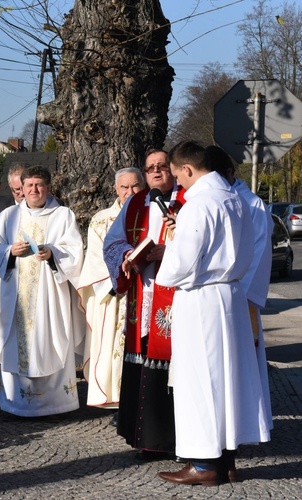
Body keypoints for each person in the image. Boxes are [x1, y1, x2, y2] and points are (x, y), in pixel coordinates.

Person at [156, 140, 271, 486]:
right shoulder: (237, 200)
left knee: (200, 379)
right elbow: (248, 253)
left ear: (188, 169)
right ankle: (226, 460)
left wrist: (171, 248)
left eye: (178, 176)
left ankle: (204, 464)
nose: (178, 184)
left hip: (202, 299)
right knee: (228, 378)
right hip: (231, 295)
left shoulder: (199, 204)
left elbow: (182, 262)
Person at [0, 165, 86, 416]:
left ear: (48, 187)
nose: (34, 190)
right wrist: (9, 252)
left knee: (50, 341)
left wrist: (53, 253)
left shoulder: (63, 216)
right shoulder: (8, 216)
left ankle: (57, 405)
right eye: (29, 185)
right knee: (16, 345)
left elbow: (75, 251)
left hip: (49, 296)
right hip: (16, 297)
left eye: (39, 185)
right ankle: (14, 405)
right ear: (22, 187)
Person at [102, 148, 184, 459]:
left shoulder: (186, 201)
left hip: (173, 294)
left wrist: (169, 251)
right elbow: (113, 240)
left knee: (171, 365)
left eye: (163, 166)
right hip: (142, 291)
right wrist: (125, 256)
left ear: (172, 170)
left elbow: (197, 239)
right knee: (142, 360)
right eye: (151, 168)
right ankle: (146, 440)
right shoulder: (136, 203)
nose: (157, 171)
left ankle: (176, 439)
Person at [205, 144, 274, 477]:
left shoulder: (252, 204)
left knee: (238, 370)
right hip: (219, 298)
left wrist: (243, 297)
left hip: (239, 299)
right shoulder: (213, 201)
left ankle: (240, 434)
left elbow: (258, 257)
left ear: (229, 175)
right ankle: (221, 439)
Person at [77, 167, 144, 415]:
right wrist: (118, 279)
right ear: (115, 189)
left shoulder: (150, 213)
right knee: (114, 346)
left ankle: (142, 397)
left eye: (135, 186)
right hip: (115, 294)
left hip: (145, 290)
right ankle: (116, 399)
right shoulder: (101, 219)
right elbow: (95, 259)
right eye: (124, 187)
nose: (129, 192)